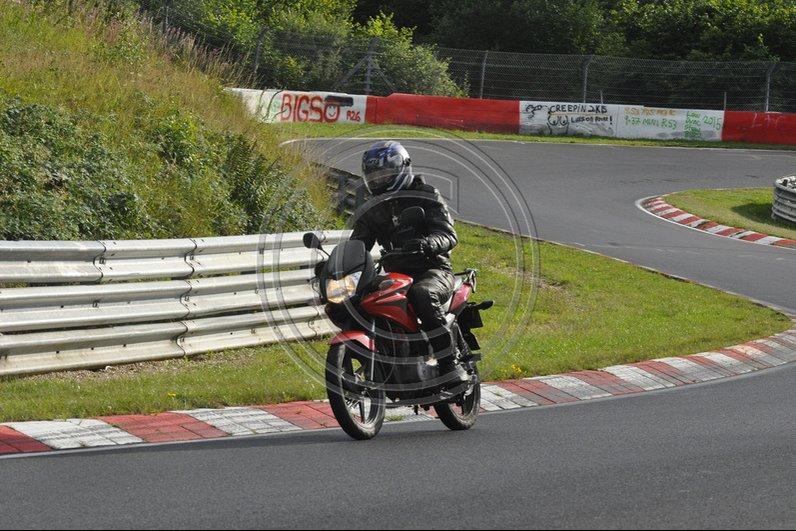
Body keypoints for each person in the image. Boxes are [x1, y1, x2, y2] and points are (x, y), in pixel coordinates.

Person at [350, 140, 468, 385]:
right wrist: (339, 263)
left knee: (422, 294)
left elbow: (448, 235)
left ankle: (449, 363)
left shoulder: (426, 194)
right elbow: (358, 244)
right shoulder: (373, 208)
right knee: (359, 299)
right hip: (396, 273)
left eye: (384, 174)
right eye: (373, 175)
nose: (378, 180)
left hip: (433, 269)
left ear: (401, 168)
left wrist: (428, 243)